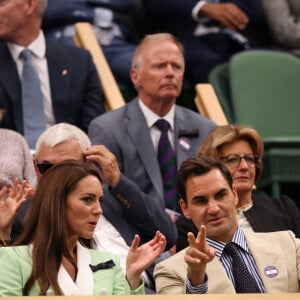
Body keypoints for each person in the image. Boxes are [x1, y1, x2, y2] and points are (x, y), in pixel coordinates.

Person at [11, 122, 177, 292]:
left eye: (69, 167)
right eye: (47, 167)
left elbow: (168, 236)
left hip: (143, 286)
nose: (57, 176)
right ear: (35, 167)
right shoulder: (21, 211)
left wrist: (117, 181)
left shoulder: (115, 194)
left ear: (88, 164)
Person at [89, 33, 216, 222]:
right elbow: (106, 199)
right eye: (159, 66)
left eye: (177, 67)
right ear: (135, 76)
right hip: (137, 235)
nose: (170, 73)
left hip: (197, 232)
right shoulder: (107, 128)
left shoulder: (205, 128)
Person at [0, 160, 166, 296]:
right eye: (87, 199)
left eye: (99, 201)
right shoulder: (15, 260)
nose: (98, 210)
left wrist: (133, 277)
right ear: (58, 203)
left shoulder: (108, 261)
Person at [154, 155, 300, 294]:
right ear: (185, 208)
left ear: (235, 195)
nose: (214, 209)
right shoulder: (169, 271)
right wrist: (196, 282)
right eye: (201, 201)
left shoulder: (288, 244)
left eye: (220, 195)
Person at [176, 124, 300, 251]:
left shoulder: (283, 209)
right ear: (212, 166)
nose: (244, 166)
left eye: (249, 158)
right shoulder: (190, 225)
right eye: (232, 160)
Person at [0, 0, 104, 149]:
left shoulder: (79, 61)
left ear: (29, 4)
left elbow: (94, 129)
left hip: (69, 163)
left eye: (1, 4)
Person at [143, 0, 270, 84]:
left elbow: (255, 11)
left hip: (232, 37)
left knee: (280, 61)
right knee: (209, 62)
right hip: (186, 38)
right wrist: (202, 7)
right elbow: (154, 4)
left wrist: (229, 12)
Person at [42, 0, 139, 86]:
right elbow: (53, 9)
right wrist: (96, 13)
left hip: (114, 43)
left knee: (148, 68)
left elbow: (128, 3)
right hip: (69, 41)